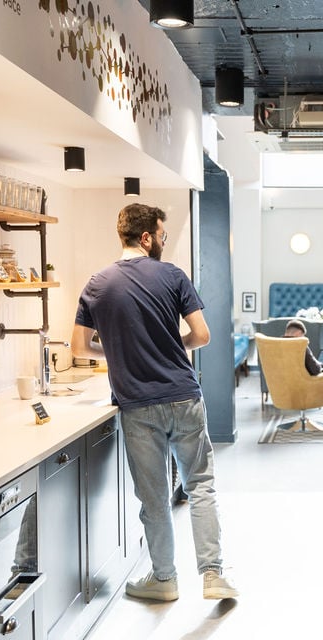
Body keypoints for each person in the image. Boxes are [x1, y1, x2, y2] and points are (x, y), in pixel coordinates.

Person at [71, 203, 238, 602]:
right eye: (162, 235)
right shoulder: (173, 276)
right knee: (200, 486)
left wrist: (119, 351)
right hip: (183, 396)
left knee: (154, 496)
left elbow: (78, 346)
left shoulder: (97, 284)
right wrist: (169, 345)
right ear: (146, 237)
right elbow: (202, 335)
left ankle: (164, 579)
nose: (163, 242)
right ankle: (213, 575)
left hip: (137, 404)